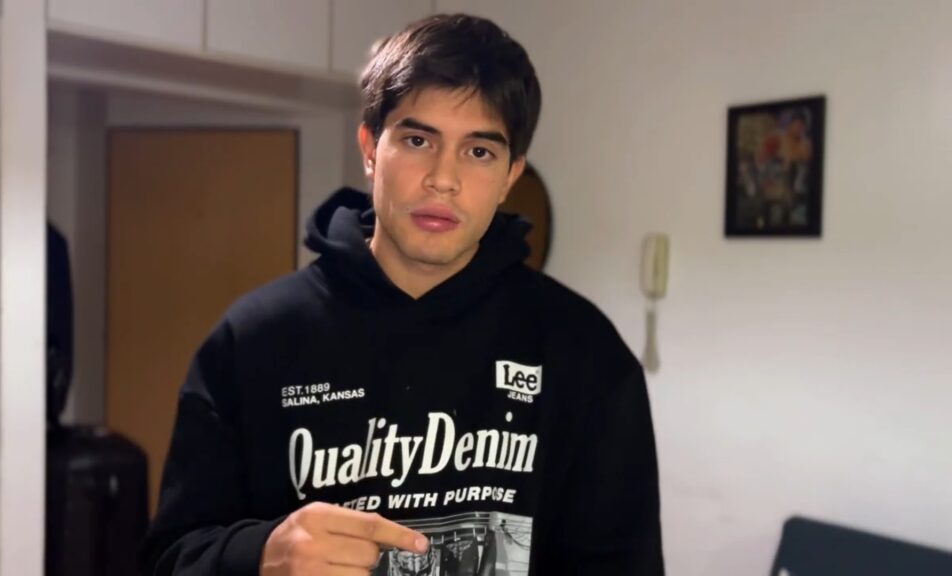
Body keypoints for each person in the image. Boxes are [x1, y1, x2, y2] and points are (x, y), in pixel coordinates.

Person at [142, 13, 663, 576]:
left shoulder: (583, 351)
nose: (443, 178)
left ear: (511, 175)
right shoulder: (254, 338)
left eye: (479, 152)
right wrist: (263, 553)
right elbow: (171, 558)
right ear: (370, 148)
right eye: (418, 140)